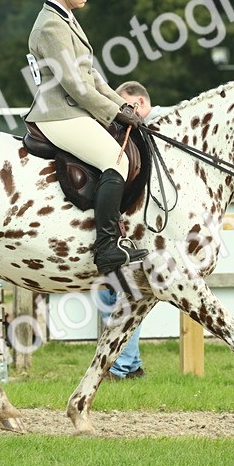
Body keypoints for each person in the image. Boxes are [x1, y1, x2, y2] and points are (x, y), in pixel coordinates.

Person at [24, 0, 148, 275]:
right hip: (58, 114)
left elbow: (91, 76)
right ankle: (106, 245)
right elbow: (76, 86)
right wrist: (113, 114)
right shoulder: (51, 26)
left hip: (73, 109)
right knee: (116, 160)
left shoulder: (65, 20)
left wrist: (122, 105)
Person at [101, 81, 162, 380]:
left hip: (139, 231)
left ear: (138, 103)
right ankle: (131, 364)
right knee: (126, 295)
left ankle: (122, 366)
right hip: (138, 230)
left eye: (124, 107)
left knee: (120, 295)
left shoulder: (151, 131)